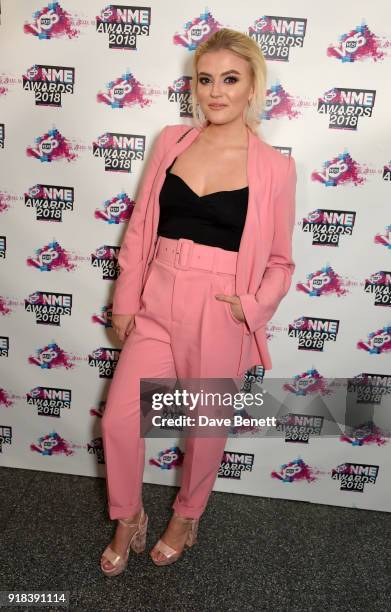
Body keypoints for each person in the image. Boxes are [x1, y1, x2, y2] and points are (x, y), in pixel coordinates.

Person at [100, 28, 297, 575]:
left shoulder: (275, 169)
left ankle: (188, 515)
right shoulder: (172, 141)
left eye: (230, 79)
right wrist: (126, 298)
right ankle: (128, 516)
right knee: (119, 420)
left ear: (253, 85)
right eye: (205, 79)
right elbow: (141, 228)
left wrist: (252, 307)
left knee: (204, 429)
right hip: (158, 295)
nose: (216, 92)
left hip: (221, 306)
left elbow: (281, 261)